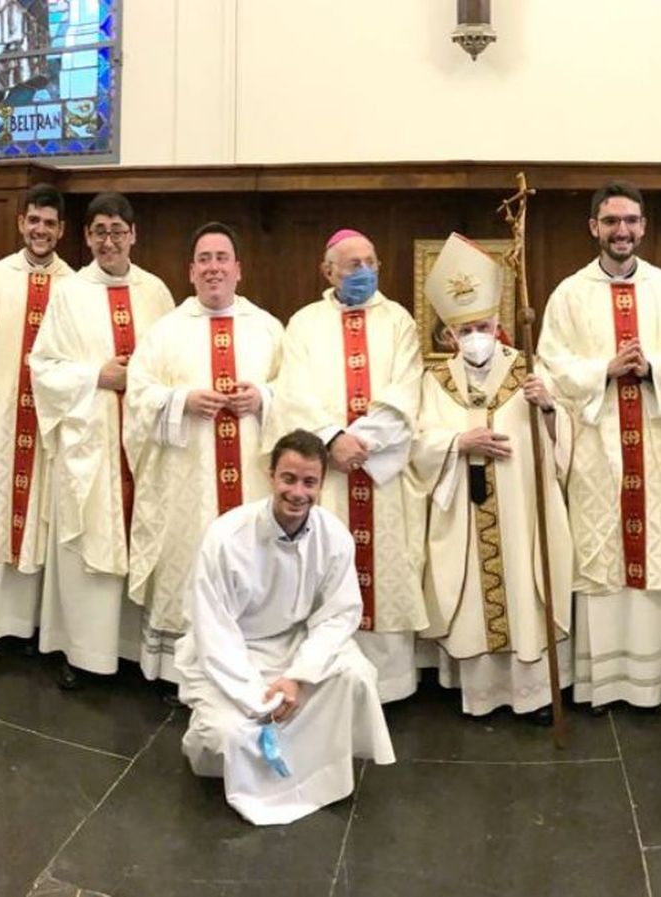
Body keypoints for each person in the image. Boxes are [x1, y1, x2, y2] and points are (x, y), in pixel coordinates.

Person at [176, 429, 395, 825]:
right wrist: (256, 697)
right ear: (271, 476)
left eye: (310, 482)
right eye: (288, 479)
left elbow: (340, 613)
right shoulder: (226, 537)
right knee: (228, 735)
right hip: (234, 652)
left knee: (357, 676)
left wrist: (298, 676)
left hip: (294, 647)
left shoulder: (333, 535)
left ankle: (314, 770)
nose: (298, 492)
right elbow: (213, 629)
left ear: (321, 485)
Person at [539, 180, 661, 712]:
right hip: (596, 446)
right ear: (594, 228)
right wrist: (604, 369)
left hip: (657, 445)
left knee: (657, 550)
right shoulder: (569, 294)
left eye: (630, 220)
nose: (621, 230)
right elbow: (552, 365)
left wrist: (652, 368)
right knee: (602, 555)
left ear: (643, 227)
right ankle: (603, 682)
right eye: (611, 221)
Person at [409, 233, 573, 720]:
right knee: (472, 601)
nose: (476, 335)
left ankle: (534, 694)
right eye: (466, 329)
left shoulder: (529, 372)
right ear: (449, 336)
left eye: (483, 325)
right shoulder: (434, 381)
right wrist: (459, 443)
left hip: (522, 511)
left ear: (499, 325)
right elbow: (418, 442)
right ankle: (478, 692)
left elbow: (563, 444)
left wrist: (549, 409)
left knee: (525, 589)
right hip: (464, 508)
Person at [264, 229, 426, 703]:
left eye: (371, 263)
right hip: (327, 476)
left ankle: (389, 685)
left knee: (386, 574)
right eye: (354, 265)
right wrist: (332, 440)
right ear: (328, 271)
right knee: (327, 572)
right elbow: (292, 392)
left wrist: (362, 443)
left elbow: (406, 390)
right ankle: (325, 682)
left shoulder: (398, 321)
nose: (365, 272)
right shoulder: (304, 323)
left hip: (380, 474)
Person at [125, 222, 283, 689]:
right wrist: (181, 401)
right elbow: (138, 396)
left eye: (222, 258)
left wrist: (264, 398)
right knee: (190, 560)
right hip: (186, 483)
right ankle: (183, 670)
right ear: (191, 271)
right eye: (205, 260)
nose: (214, 268)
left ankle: (252, 665)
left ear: (239, 269)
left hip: (252, 478)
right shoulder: (165, 332)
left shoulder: (268, 328)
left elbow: (297, 391)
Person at [30, 192, 175, 688]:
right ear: (87, 237)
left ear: (133, 234)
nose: (108, 241)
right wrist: (98, 375)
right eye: (99, 232)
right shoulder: (69, 293)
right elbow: (42, 367)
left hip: (143, 443)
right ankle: (84, 652)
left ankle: (136, 648)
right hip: (90, 442)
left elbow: (172, 360)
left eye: (117, 231)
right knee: (88, 545)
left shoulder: (155, 292)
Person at [0, 183, 74, 647]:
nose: (41, 230)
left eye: (49, 223)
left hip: (48, 426)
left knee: (41, 520)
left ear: (61, 230)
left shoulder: (76, 286)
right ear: (20, 223)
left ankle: (33, 624)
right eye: (34, 220)